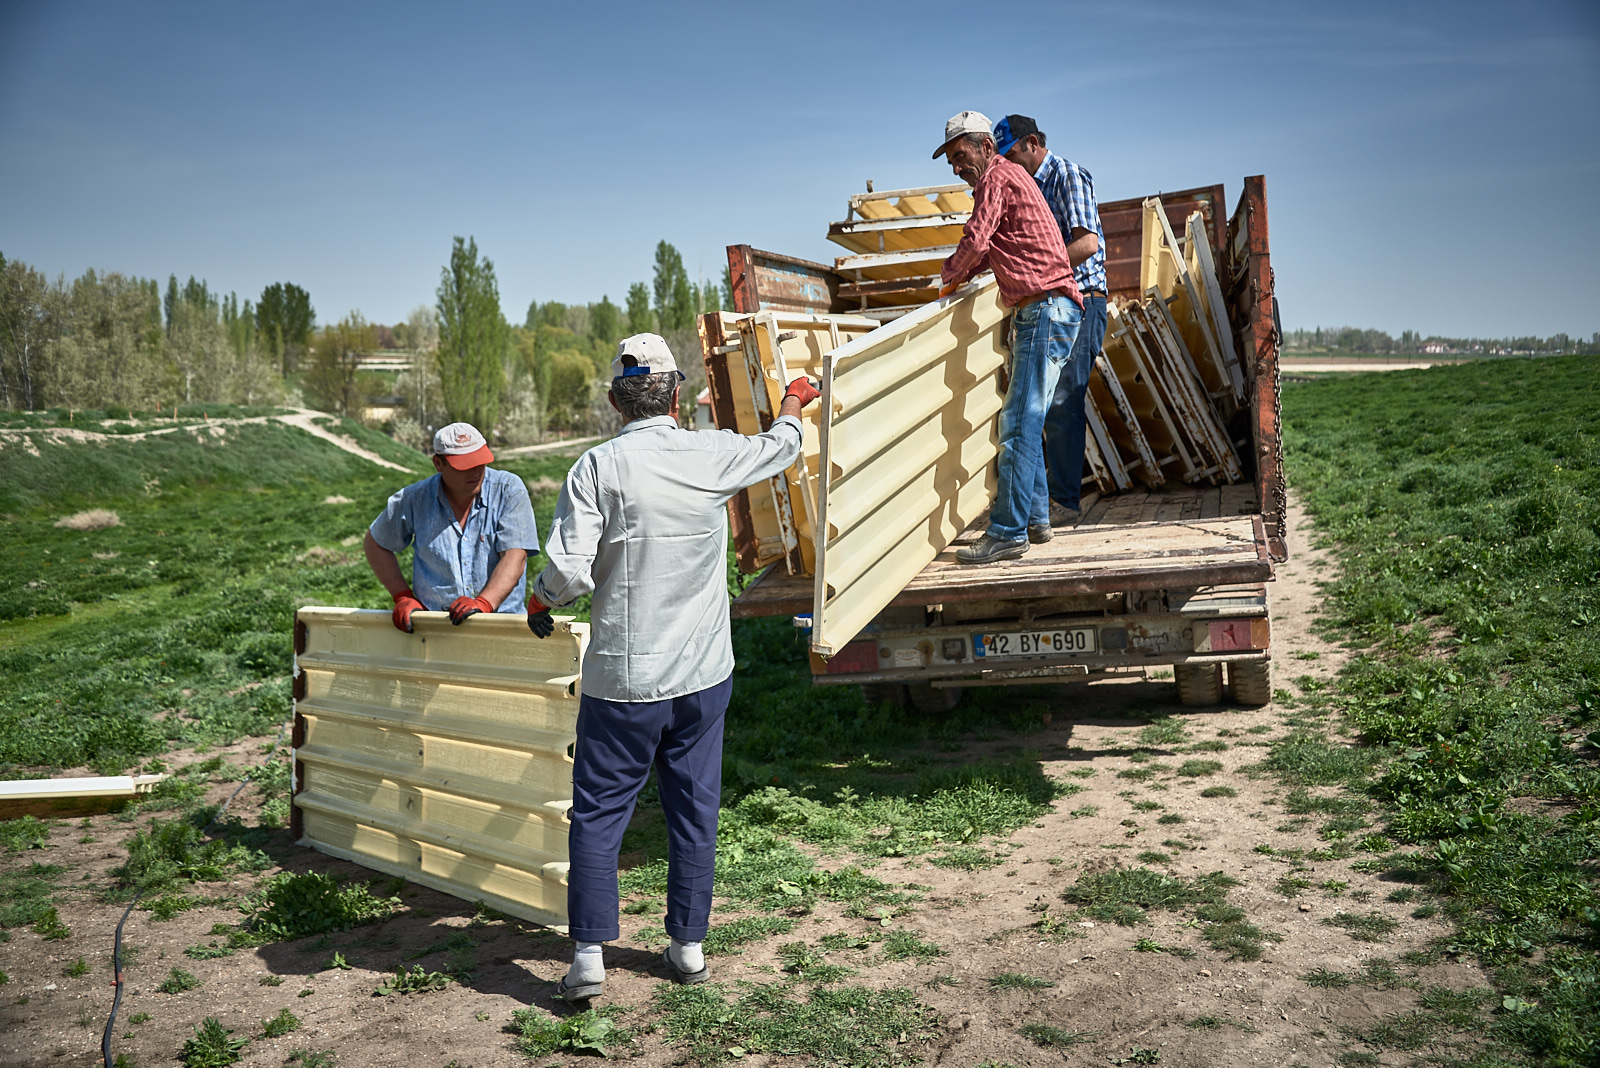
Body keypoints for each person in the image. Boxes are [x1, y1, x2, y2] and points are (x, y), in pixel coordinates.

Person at [522, 333, 820, 1001]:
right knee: (693, 811)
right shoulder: (710, 452)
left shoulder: (597, 468)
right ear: (677, 397)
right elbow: (782, 447)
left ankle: (590, 957)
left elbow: (568, 571)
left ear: (613, 402)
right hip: (702, 677)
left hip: (623, 682)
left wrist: (540, 600)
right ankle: (687, 947)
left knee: (599, 815)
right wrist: (796, 400)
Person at [934, 110, 1084, 565]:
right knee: (1028, 420)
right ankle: (1035, 519)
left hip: (1042, 308)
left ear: (984, 146)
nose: (957, 168)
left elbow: (977, 241)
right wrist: (963, 273)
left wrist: (945, 280)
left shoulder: (996, 178)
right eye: (951, 162)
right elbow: (992, 250)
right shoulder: (1011, 178)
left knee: (1017, 424)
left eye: (961, 156)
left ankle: (1007, 532)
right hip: (1047, 308)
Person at [992, 114, 1108, 526]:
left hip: (1082, 301)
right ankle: (1044, 506)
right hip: (1054, 299)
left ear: (1034, 143)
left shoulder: (1068, 176)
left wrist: (1040, 272)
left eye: (1011, 155)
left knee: (1062, 401)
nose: (1007, 164)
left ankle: (1065, 501)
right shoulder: (1028, 185)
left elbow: (1088, 243)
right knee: (1038, 405)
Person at [363, 421, 540, 631]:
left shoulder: (508, 490)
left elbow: (515, 555)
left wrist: (484, 603)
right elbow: (376, 542)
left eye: (480, 461)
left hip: (501, 627)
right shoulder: (414, 499)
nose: (475, 471)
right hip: (437, 630)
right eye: (465, 466)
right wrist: (402, 596)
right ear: (438, 463)